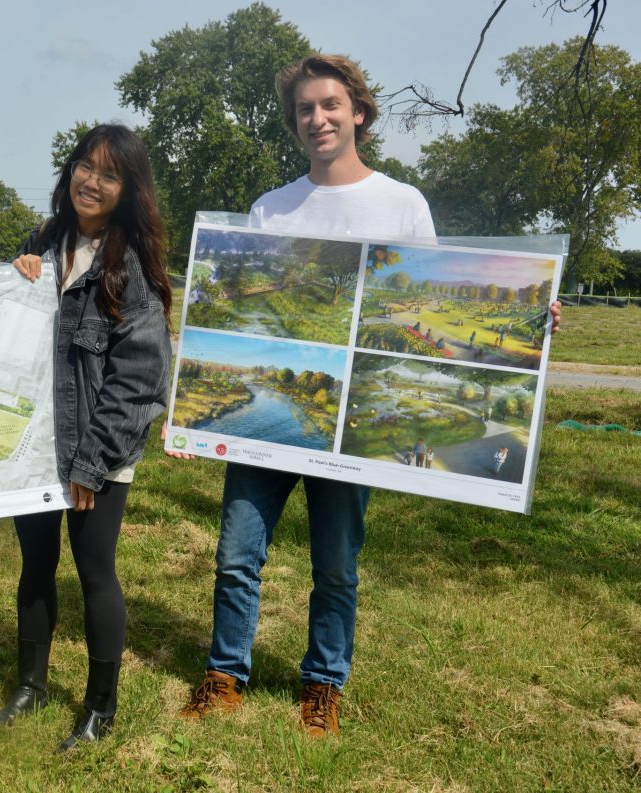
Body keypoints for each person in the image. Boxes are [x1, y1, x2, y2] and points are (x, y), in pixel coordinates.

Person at [174, 54, 561, 737]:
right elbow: (240, 315)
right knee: (237, 551)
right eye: (303, 109)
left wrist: (528, 321)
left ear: (358, 111)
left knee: (336, 563)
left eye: (328, 105)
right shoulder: (270, 207)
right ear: (293, 122)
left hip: (357, 420)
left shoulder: (403, 203)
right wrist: (194, 411)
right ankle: (225, 673)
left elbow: (433, 302)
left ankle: (323, 683)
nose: (316, 118)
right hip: (268, 411)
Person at [0, 124, 172, 752]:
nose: (93, 181)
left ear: (127, 189)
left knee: (95, 572)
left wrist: (91, 465)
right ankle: (30, 687)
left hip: (97, 452)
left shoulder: (130, 267)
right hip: (34, 444)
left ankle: (99, 707)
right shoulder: (43, 241)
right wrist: (15, 279)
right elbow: (2, 338)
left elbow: (139, 380)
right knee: (35, 565)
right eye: (85, 167)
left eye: (109, 174)